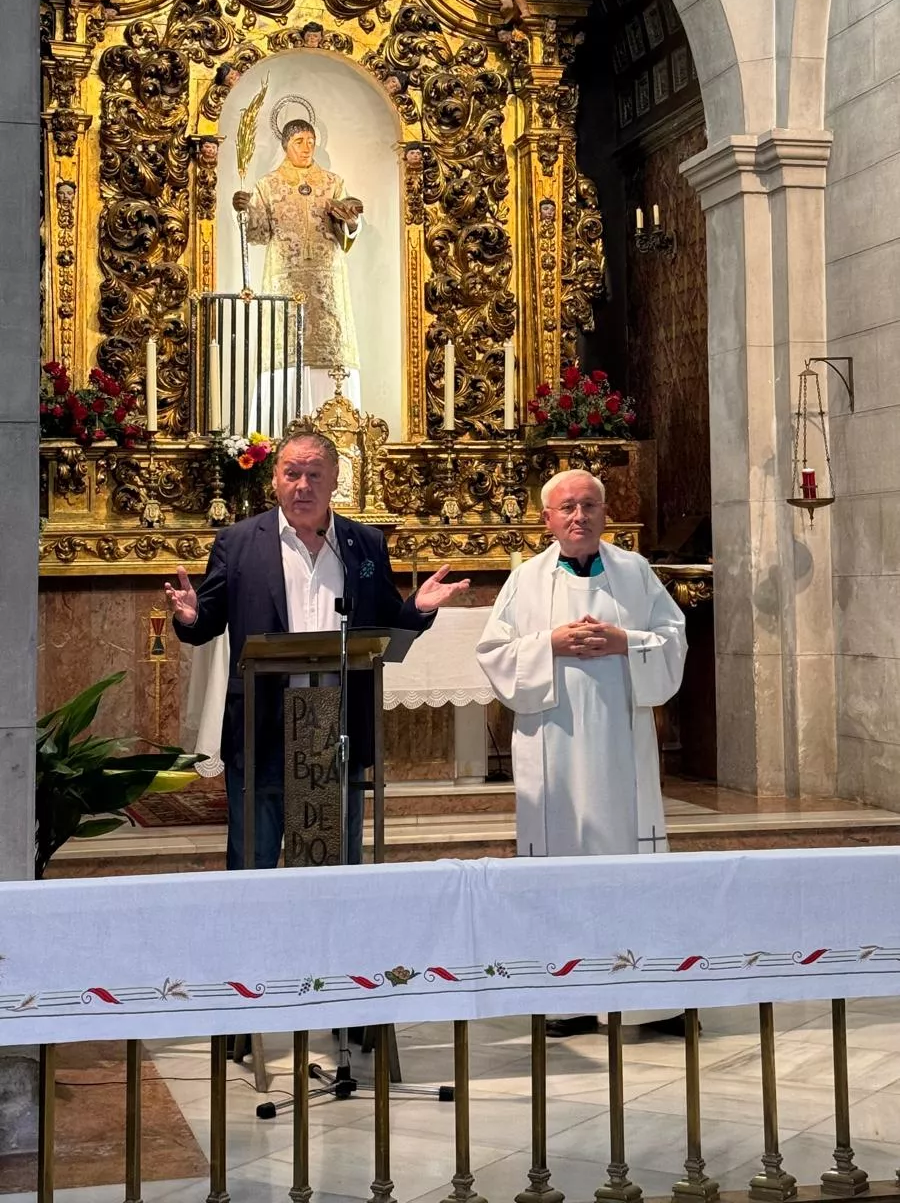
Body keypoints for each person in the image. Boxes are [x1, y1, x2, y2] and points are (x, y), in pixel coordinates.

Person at [166, 430, 469, 869]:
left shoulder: (363, 544)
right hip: (262, 721)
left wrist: (417, 609)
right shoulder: (238, 542)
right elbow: (206, 623)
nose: (302, 486)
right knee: (254, 859)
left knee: (330, 864)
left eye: (314, 474)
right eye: (292, 473)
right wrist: (191, 616)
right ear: (275, 478)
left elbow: (385, 627)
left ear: (334, 479)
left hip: (336, 722)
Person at [476, 467, 686, 1035]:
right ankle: (565, 998)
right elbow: (494, 651)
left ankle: (648, 999)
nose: (578, 516)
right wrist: (550, 643)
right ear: (546, 518)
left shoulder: (635, 572)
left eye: (589, 505)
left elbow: (672, 638)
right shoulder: (526, 578)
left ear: (605, 512)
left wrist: (624, 642)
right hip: (554, 745)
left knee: (629, 864)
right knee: (563, 862)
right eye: (566, 507)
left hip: (622, 745)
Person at [233, 115, 362, 389]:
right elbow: (258, 234)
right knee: (286, 353)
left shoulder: (332, 183)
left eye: (311, 142)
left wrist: (349, 219)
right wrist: (244, 210)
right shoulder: (267, 185)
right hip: (285, 281)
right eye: (299, 142)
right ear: (285, 145)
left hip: (326, 282)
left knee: (331, 353)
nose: (306, 148)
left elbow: (349, 229)